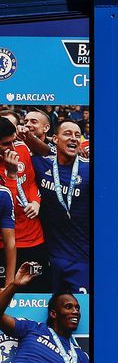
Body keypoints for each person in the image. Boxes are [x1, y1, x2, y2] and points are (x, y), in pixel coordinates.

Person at [0, 262, 90, 363]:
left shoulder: (80, 356)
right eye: (69, 307)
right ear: (53, 313)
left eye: (77, 308)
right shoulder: (34, 328)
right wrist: (14, 286)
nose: (76, 311)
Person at [31, 119, 91, 293]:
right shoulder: (41, 163)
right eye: (67, 134)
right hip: (49, 256)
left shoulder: (90, 169)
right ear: (55, 139)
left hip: (81, 257)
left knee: (80, 309)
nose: (73, 138)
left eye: (77, 135)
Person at [0, 117, 45, 290]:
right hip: (5, 244)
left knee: (36, 296)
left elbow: (31, 182)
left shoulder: (22, 150)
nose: (12, 148)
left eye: (13, 141)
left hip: (33, 239)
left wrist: (36, 200)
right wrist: (11, 176)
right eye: (5, 144)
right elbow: (4, 207)